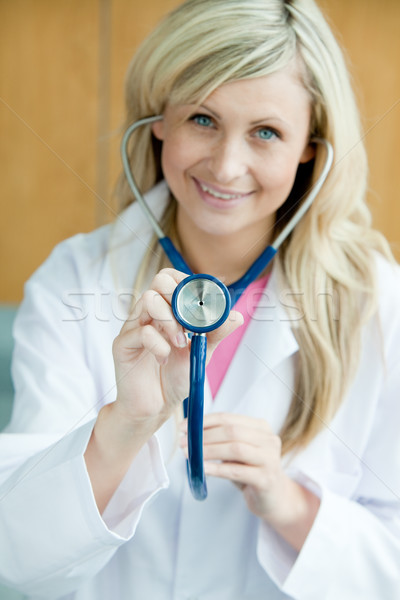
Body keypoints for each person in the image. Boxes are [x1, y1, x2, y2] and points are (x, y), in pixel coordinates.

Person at [1, 0, 399, 598]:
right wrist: (122, 429)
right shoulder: (75, 279)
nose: (227, 165)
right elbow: (15, 553)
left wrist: (287, 503)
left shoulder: (376, 298)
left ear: (310, 148)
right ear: (160, 119)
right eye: (203, 120)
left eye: (266, 132)